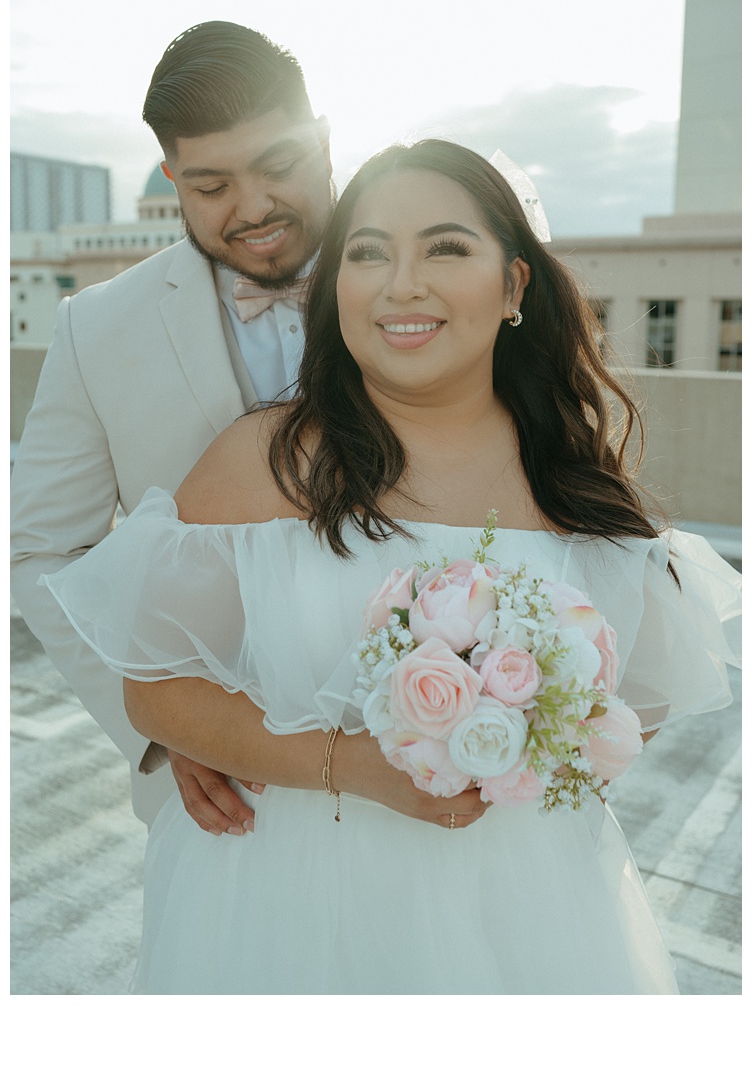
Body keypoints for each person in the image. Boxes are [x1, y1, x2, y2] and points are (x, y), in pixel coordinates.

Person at [42, 139, 740, 994]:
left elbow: (638, 707)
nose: (401, 284)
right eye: (369, 253)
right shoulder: (267, 460)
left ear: (515, 284)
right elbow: (155, 688)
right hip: (282, 903)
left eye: (445, 248)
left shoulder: (576, 480)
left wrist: (524, 725)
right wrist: (360, 766)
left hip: (525, 909)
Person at [10, 20, 335, 830]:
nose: (253, 207)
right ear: (170, 177)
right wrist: (162, 723)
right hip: (218, 798)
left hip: (420, 758)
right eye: (211, 184)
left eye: (278, 166)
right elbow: (42, 551)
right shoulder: (96, 328)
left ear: (324, 140)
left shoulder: (424, 285)